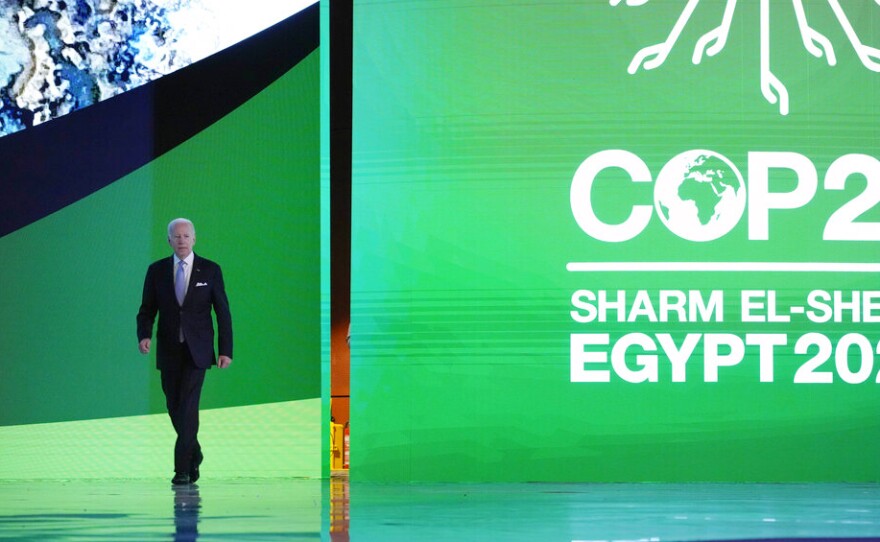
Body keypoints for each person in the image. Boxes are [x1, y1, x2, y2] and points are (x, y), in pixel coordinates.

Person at [137, 218, 233, 485]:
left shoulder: (210, 270)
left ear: (194, 238)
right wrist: (144, 334)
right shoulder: (156, 270)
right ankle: (195, 453)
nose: (181, 240)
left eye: (186, 235)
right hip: (169, 349)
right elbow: (147, 309)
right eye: (176, 236)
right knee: (174, 406)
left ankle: (182, 469)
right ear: (168, 240)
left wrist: (225, 350)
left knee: (189, 407)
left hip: (198, 351)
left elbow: (223, 312)